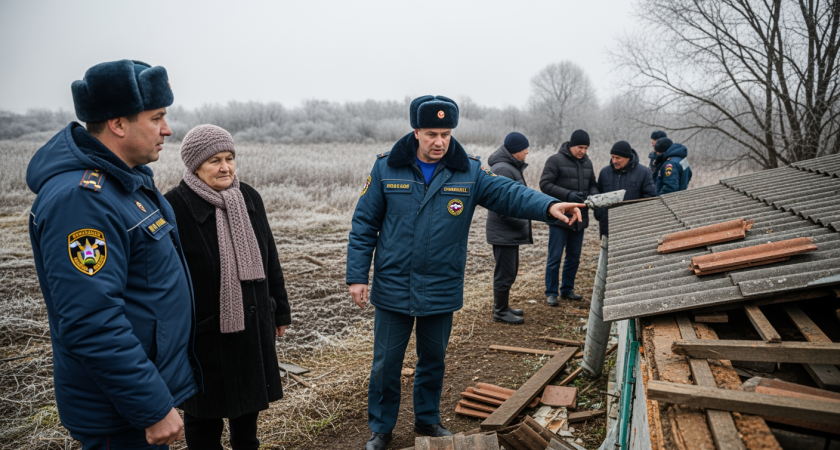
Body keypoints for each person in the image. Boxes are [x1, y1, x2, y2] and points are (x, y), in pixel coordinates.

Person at [346, 96, 585, 450]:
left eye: (445, 133)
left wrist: (549, 205)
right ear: (416, 132)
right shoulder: (386, 168)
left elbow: (510, 195)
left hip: (441, 285)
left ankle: (427, 421)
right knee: (385, 365)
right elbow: (364, 223)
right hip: (393, 285)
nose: (439, 141)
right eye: (431, 133)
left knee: (433, 361)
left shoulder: (469, 171)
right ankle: (381, 429)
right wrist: (357, 275)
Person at [26, 59, 199, 449]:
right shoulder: (82, 202)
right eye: (157, 118)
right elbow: (92, 321)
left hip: (136, 401)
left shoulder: (125, 185)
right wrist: (152, 407)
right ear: (119, 124)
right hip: (119, 415)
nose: (167, 130)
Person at [164, 125, 291, 450]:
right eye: (214, 161)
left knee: (247, 423)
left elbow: (269, 257)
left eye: (229, 158)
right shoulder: (174, 207)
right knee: (203, 424)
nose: (225, 167)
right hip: (204, 336)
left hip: (251, 327)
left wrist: (280, 312)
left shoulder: (248, 197)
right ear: (194, 166)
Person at [539, 129, 599, 305]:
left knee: (574, 257)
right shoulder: (555, 160)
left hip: (580, 219)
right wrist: (568, 195)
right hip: (560, 218)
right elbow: (545, 184)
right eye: (580, 147)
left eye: (586, 148)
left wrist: (593, 197)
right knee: (555, 257)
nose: (583, 151)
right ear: (572, 145)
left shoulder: (587, 163)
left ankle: (567, 289)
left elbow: (593, 184)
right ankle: (551, 292)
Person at [484, 131, 532, 325]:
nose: (527, 152)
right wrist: (523, 222)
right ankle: (500, 311)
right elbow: (503, 206)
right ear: (515, 150)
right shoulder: (503, 169)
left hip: (509, 231)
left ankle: (504, 306)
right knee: (505, 273)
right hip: (504, 231)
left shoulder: (509, 167)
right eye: (525, 148)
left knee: (509, 271)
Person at [594, 141, 657, 237]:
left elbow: (650, 198)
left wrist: (638, 216)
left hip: (632, 226)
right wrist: (600, 213)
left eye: (618, 158)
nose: (614, 161)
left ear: (628, 157)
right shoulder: (604, 172)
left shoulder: (643, 172)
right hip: (607, 226)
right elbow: (598, 194)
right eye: (612, 157)